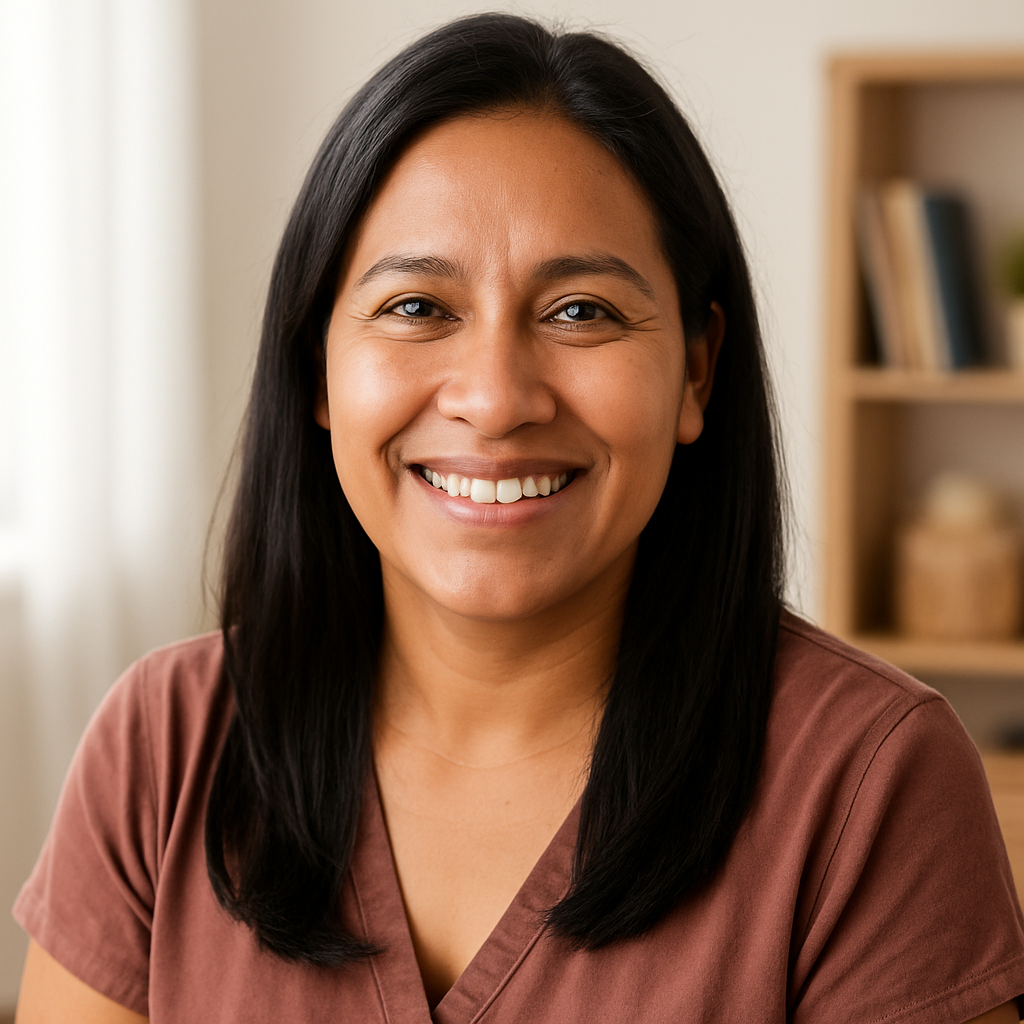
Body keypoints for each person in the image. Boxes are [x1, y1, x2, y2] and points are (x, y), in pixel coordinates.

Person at [12, 13, 1024, 1024]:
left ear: (695, 370)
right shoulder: (164, 745)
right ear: (316, 362)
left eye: (580, 310)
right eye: (416, 307)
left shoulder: (871, 782)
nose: (494, 398)